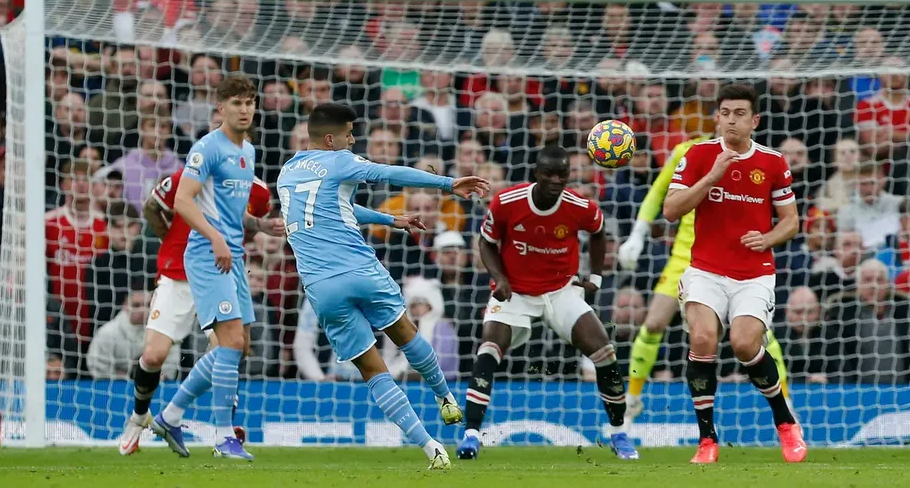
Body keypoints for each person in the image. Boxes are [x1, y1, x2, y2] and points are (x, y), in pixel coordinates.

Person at [276, 103, 489, 470]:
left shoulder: (286, 174)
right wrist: (448, 183)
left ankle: (429, 447)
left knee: (373, 370)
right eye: (348, 134)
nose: (353, 139)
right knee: (406, 333)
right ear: (330, 139)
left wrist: (391, 219)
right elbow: (389, 171)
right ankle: (445, 397)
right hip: (359, 269)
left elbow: (340, 209)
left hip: (321, 288)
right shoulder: (339, 161)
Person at [457, 145, 638, 461]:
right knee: (488, 349)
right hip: (516, 293)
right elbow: (486, 242)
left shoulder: (578, 206)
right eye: (549, 174)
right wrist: (499, 277)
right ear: (536, 174)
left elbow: (598, 232)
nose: (556, 180)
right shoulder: (507, 202)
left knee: (605, 352)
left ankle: (619, 433)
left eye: (562, 174)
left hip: (561, 290)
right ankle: (471, 435)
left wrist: (595, 277)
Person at [663, 83, 805, 464]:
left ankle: (785, 422)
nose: (731, 120)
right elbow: (671, 210)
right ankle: (707, 440)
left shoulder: (773, 162)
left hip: (754, 273)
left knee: (744, 344)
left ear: (754, 120)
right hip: (704, 270)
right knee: (704, 337)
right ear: (717, 117)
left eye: (740, 114)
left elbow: (791, 222)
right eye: (725, 113)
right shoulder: (697, 154)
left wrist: (768, 238)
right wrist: (710, 178)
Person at [149, 75, 285, 460]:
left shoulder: (249, 151)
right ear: (221, 107)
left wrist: (259, 225)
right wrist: (215, 237)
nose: (245, 109)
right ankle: (224, 436)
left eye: (250, 102)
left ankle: (171, 414)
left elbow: (231, 209)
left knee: (235, 347)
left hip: (232, 255)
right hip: (208, 254)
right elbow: (183, 201)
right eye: (237, 103)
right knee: (231, 343)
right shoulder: (206, 148)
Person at [617, 132, 791, 419]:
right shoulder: (688, 151)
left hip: (729, 257)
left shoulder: (756, 158)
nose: (730, 123)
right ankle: (633, 397)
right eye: (725, 115)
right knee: (654, 323)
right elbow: (658, 195)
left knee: (757, 334)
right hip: (684, 256)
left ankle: (786, 400)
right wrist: (637, 235)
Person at [117, 162, 272, 454]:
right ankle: (139, 418)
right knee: (153, 356)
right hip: (177, 273)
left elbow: (248, 225)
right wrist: (171, 240)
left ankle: (221, 432)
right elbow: (152, 206)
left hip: (220, 273)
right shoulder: (189, 176)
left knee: (230, 348)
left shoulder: (259, 191)